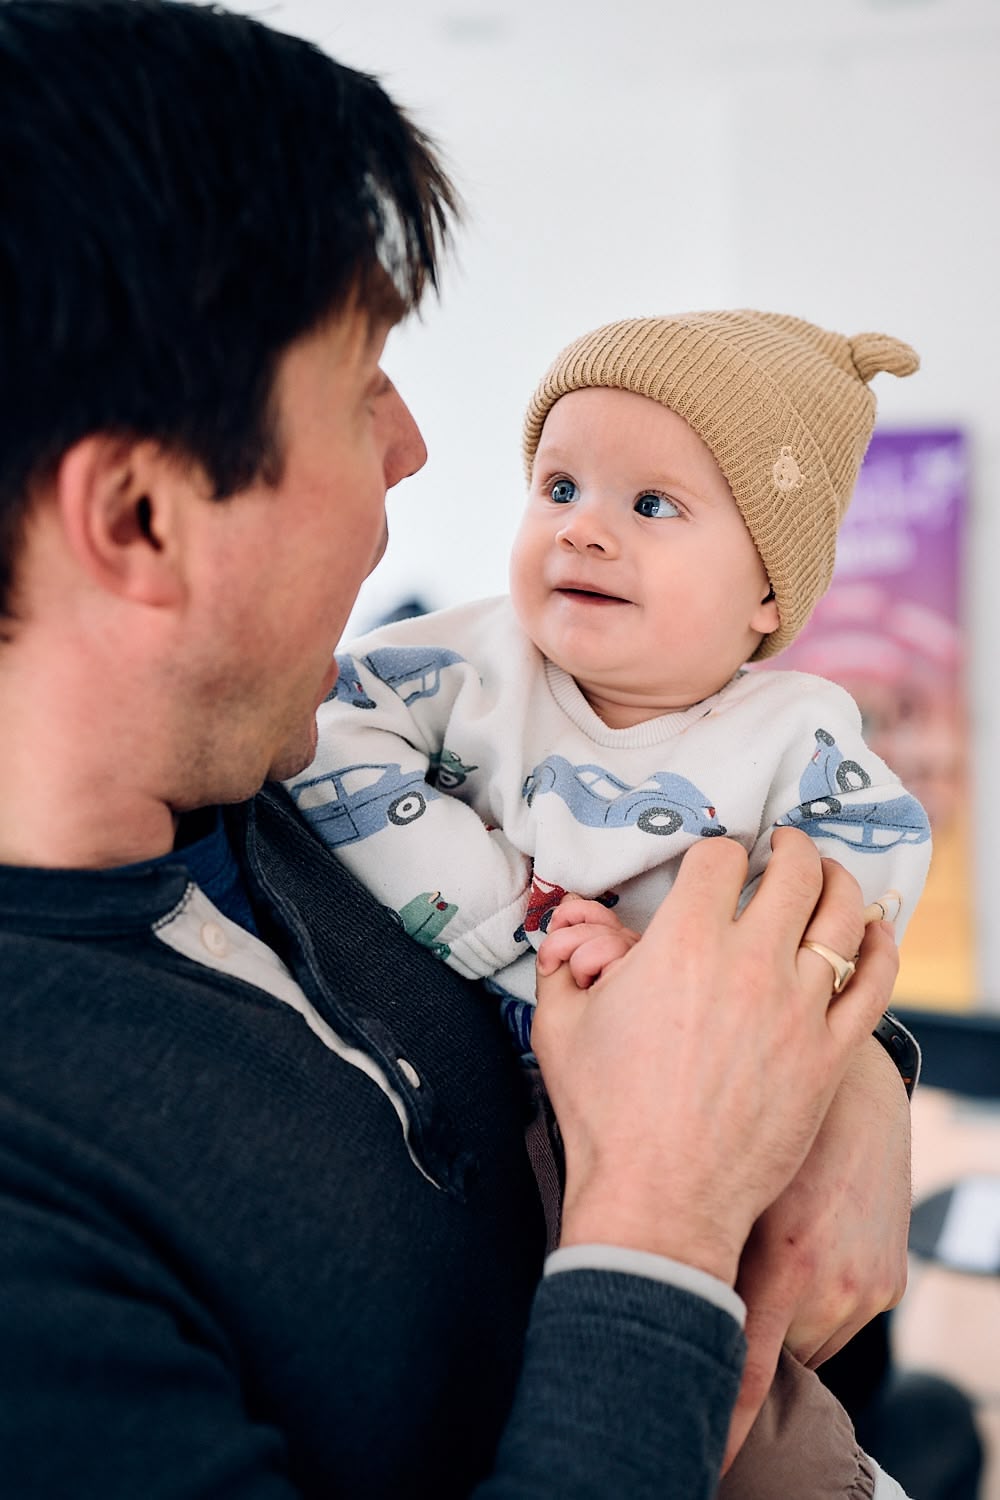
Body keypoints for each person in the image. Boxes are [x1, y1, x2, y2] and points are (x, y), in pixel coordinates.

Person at [0, 2, 909, 1496]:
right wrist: (666, 1215)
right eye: (361, 380)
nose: (414, 443)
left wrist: (853, 1077)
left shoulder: (285, 796)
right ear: (141, 518)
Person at [289, 311, 931, 1494]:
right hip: (492, 1121)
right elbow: (332, 744)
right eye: (559, 487)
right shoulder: (470, 666)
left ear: (765, 593)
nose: (582, 526)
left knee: (765, 1426)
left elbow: (868, 862)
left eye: (650, 505)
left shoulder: (792, 733)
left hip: (700, 1112)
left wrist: (689, 963)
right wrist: (512, 924)